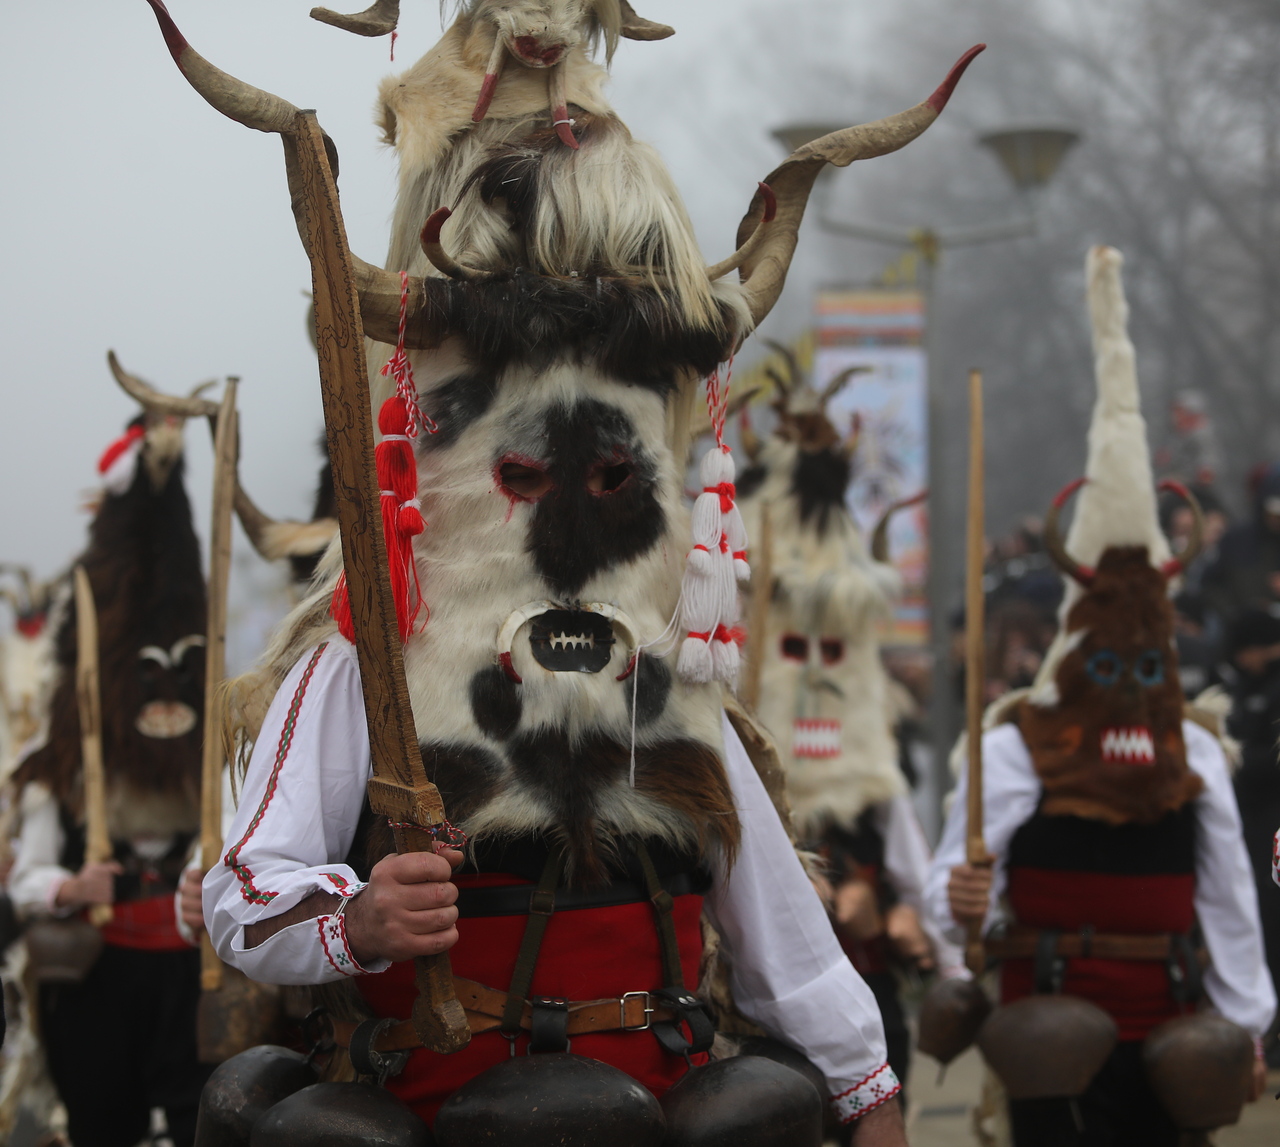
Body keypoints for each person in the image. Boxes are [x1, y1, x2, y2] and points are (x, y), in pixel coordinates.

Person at [925, 247, 1275, 1147]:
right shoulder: (1016, 745)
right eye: (1109, 665)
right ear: (1079, 649)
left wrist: (1250, 1024)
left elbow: (1228, 895)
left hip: (1176, 1031)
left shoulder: (1193, 751)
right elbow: (954, 886)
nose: (1128, 684)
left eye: (1146, 664)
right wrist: (964, 904)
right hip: (1053, 1029)